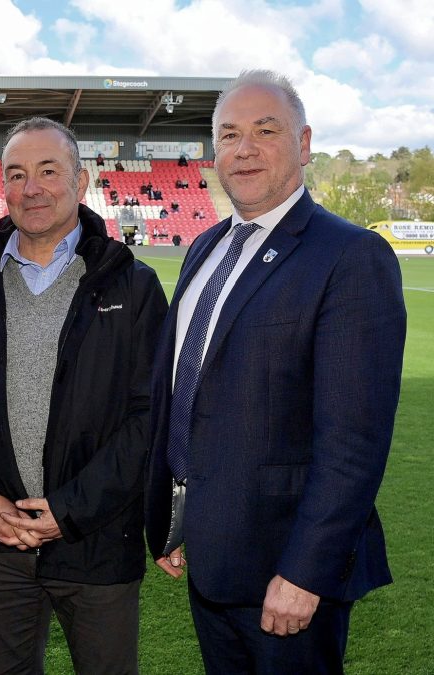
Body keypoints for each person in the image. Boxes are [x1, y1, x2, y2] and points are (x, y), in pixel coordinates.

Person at [145, 69, 406, 674]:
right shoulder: (205, 247)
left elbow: (353, 442)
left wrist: (304, 573)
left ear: (305, 143)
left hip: (285, 573)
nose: (245, 148)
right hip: (211, 555)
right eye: (230, 134)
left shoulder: (348, 255)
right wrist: (178, 517)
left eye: (266, 130)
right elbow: (188, 393)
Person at [0, 117, 167, 675]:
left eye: (47, 171)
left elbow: (148, 418)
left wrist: (69, 511)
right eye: (16, 174)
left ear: (81, 183)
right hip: (0, 542)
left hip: (99, 541)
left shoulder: (133, 286)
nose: (31, 187)